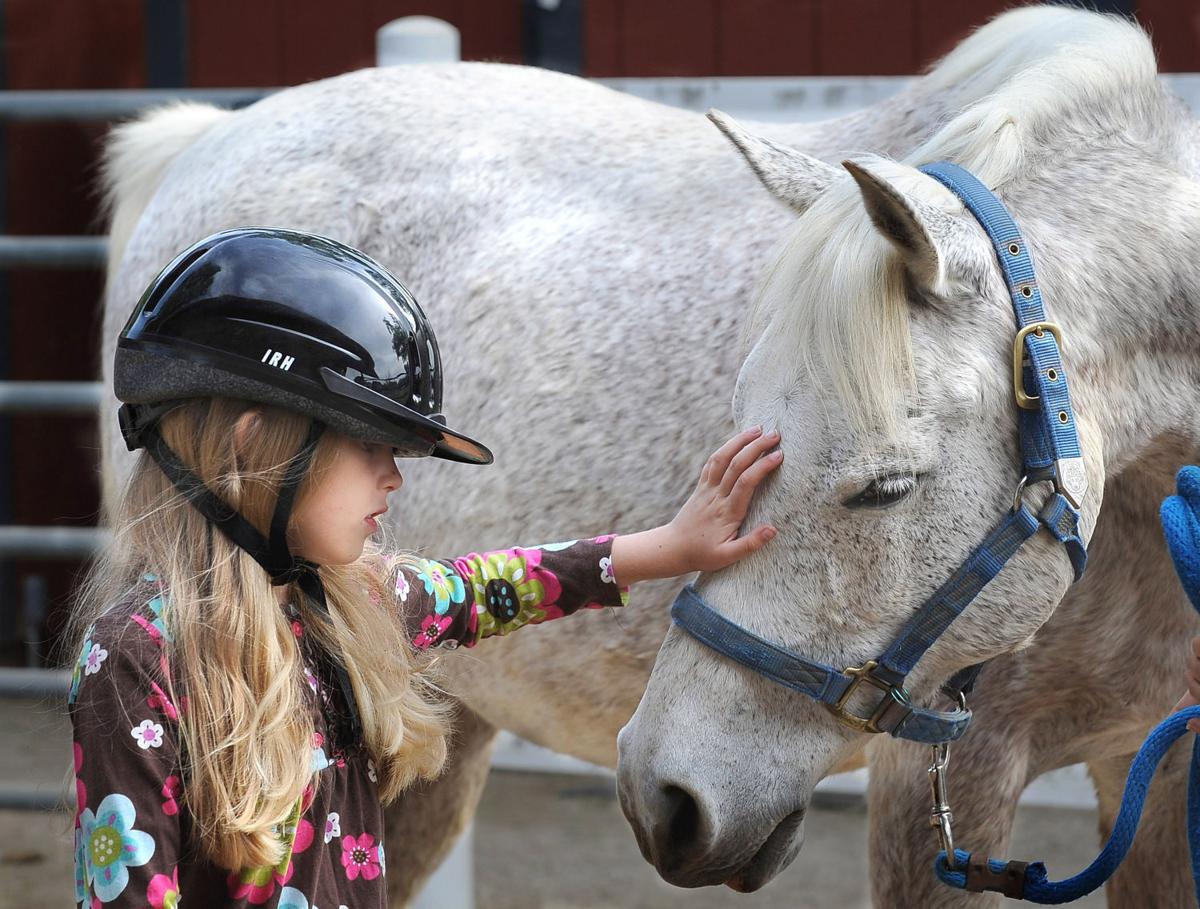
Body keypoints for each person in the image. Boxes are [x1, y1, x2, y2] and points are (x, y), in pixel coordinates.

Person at [67, 228, 783, 909]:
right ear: (253, 450)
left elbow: (496, 586)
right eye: (370, 443)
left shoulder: (346, 604)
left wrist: (675, 547)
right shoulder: (136, 659)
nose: (394, 478)